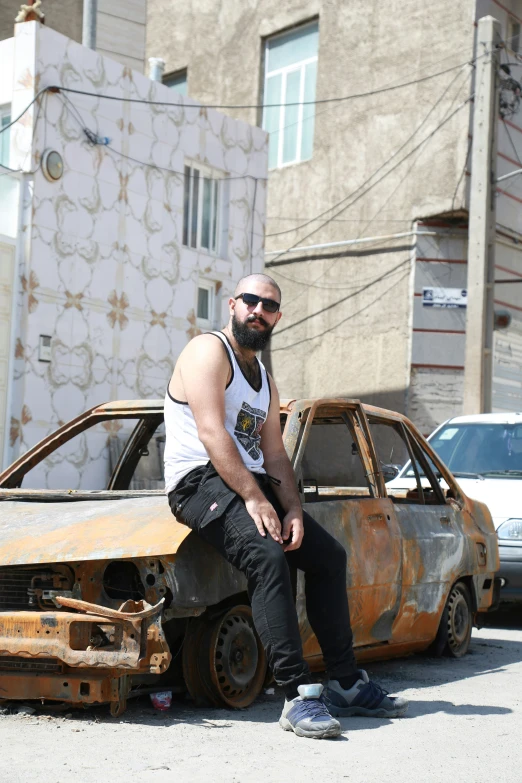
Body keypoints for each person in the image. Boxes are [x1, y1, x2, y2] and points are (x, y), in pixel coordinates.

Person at [164, 273, 408, 739]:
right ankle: (296, 695)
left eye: (269, 305)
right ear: (233, 304)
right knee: (268, 556)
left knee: (326, 558)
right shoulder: (206, 351)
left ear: (278, 317)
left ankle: (345, 683)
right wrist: (255, 498)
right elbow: (212, 432)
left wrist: (292, 508)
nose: (259, 310)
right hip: (198, 481)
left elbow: (274, 453)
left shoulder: (264, 380)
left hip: (247, 479)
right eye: (251, 301)